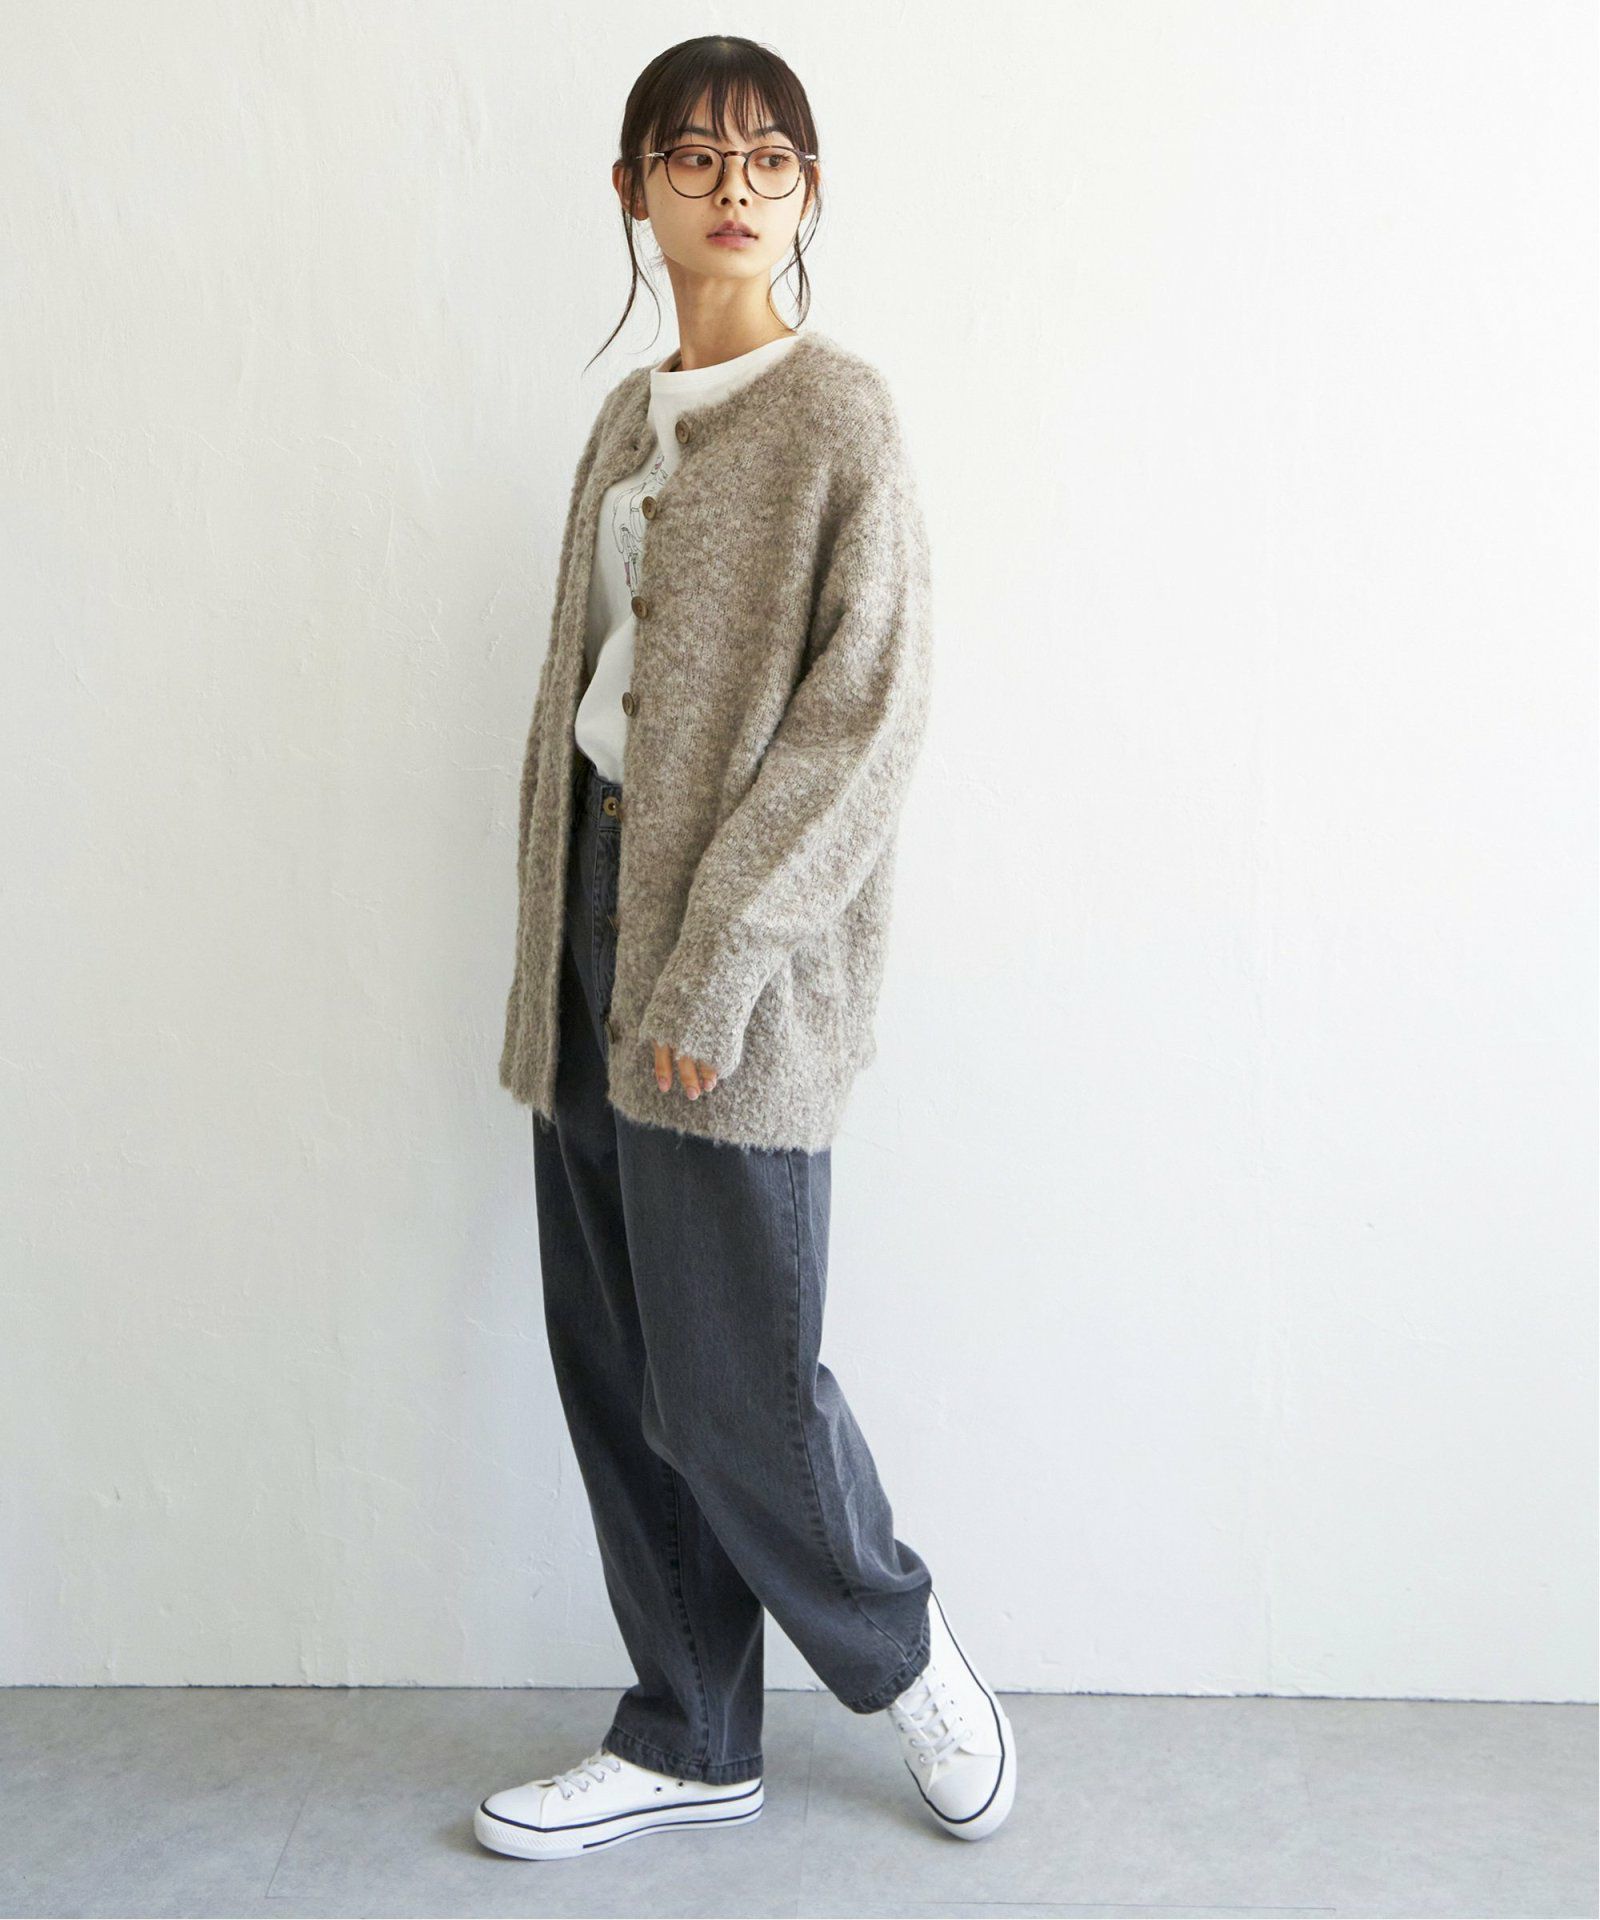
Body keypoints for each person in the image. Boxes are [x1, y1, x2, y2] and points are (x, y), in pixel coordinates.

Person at [476, 34, 1016, 1862]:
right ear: (633, 189)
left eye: (768, 157)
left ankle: (901, 1650)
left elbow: (867, 714)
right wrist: (558, 951)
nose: (732, 186)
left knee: (736, 1387)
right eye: (693, 155)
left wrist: (717, 959)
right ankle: (692, 1730)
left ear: (807, 192)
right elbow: (584, 700)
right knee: (618, 1364)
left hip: (734, 953)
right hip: (587, 913)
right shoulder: (626, 423)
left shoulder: (838, 415)